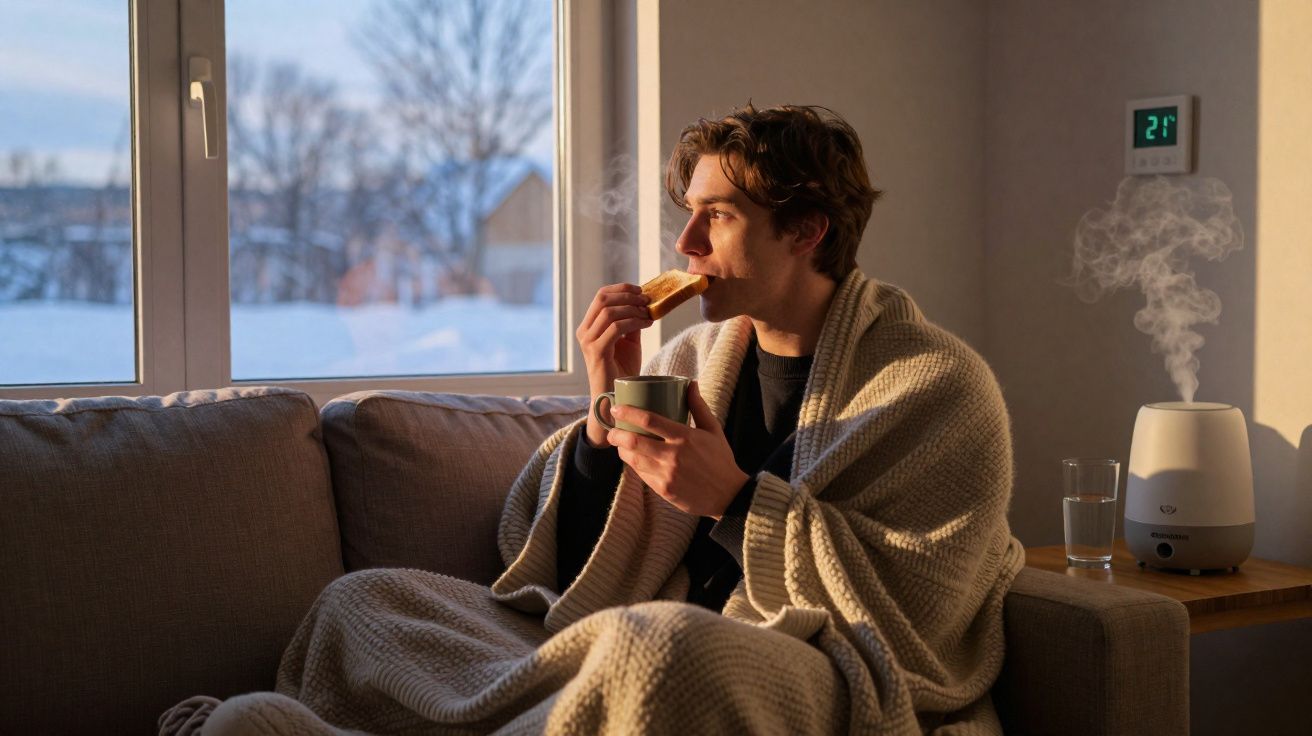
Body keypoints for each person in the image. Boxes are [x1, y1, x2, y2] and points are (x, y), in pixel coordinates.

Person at [159, 104, 1024, 735]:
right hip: (638, 624)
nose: (684, 246)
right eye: (686, 212)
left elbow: (920, 621)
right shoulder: (689, 360)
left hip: (802, 667)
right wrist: (605, 417)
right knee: (368, 601)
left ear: (806, 229)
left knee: (668, 650)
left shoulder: (937, 387)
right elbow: (570, 574)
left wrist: (735, 503)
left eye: (715, 218)